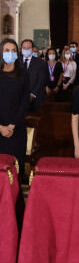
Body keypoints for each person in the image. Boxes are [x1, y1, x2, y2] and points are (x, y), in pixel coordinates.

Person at [0, 38, 30, 168]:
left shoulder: (23, 73)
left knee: (15, 168)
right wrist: (0, 127)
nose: (10, 53)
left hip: (16, 128)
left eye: (13, 51)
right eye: (7, 50)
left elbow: (25, 100)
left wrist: (12, 125)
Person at [20, 39, 47, 111]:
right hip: (19, 97)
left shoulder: (40, 62)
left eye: (28, 48)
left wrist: (32, 94)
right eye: (24, 48)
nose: (26, 50)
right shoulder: (16, 62)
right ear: (21, 49)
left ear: (32, 49)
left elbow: (41, 80)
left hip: (36, 98)